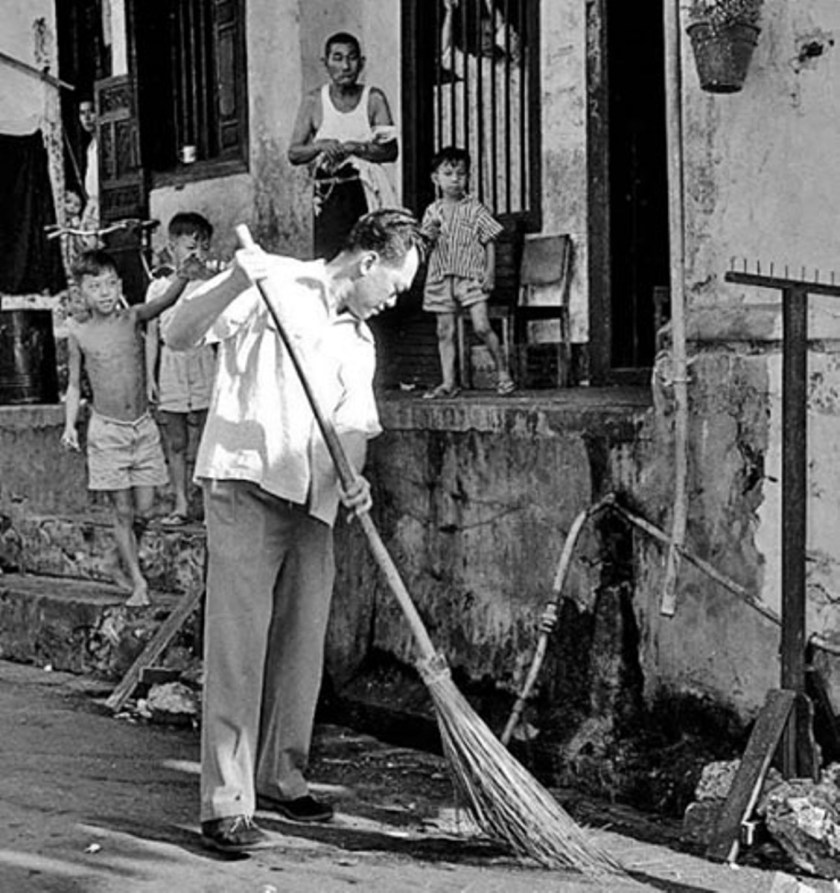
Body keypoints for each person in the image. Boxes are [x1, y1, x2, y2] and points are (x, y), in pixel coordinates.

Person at [164, 209, 427, 854]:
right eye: (392, 287)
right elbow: (178, 332)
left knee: (303, 647)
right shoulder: (273, 281)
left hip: (315, 499)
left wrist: (354, 478)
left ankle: (282, 774)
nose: (392, 303)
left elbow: (353, 426)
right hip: (245, 484)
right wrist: (233, 283)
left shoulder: (359, 340)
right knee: (239, 647)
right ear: (367, 261)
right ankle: (225, 803)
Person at [60, 250, 193, 607]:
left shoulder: (132, 317)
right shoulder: (79, 333)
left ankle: (118, 557)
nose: (103, 293)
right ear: (82, 292)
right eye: (94, 286)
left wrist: (183, 274)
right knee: (122, 510)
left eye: (109, 284)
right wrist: (70, 424)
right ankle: (138, 583)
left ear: (119, 285)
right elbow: (74, 384)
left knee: (146, 509)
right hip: (107, 431)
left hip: (142, 427)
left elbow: (165, 300)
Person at [288, 32, 399, 260]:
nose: (345, 66)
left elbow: (390, 151)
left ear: (362, 63)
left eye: (352, 58)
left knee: (369, 258)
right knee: (332, 261)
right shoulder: (314, 101)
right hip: (329, 194)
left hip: (364, 191)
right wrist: (320, 145)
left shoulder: (373, 98)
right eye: (337, 58)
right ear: (326, 63)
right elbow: (294, 153)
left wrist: (355, 147)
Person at [421, 145, 515, 398]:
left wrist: (490, 272)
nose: (455, 179)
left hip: (471, 277)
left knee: (482, 326)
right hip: (440, 277)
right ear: (436, 178)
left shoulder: (475, 208)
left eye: (461, 174)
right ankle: (449, 383)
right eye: (448, 173)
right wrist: (429, 233)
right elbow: (425, 243)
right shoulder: (432, 211)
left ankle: (503, 372)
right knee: (445, 331)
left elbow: (490, 240)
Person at [145, 212, 217, 525]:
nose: (195, 254)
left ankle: (208, 505)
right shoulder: (159, 288)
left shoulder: (212, 284)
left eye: (202, 247)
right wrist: (150, 375)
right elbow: (151, 335)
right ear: (171, 246)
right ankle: (180, 503)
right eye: (189, 247)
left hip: (202, 360)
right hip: (171, 364)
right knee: (176, 441)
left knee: (207, 436)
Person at [437, 0, 525, 215]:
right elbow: (447, 53)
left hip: (512, 134)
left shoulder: (511, 65)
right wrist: (450, 13)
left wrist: (488, 3)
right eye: (481, 35)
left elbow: (508, 39)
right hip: (487, 135)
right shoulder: (476, 67)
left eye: (489, 34)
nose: (486, 41)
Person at [77, 97, 99, 234]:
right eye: (82, 113)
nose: (87, 117)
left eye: (91, 111)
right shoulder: (91, 147)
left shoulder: (104, 144)